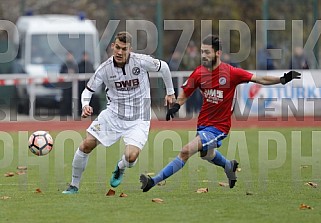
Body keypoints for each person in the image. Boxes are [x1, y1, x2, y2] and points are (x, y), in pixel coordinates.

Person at [140, 34, 301, 192]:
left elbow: (260, 79)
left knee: (186, 151)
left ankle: (153, 182)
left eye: (207, 52)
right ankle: (228, 166)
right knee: (206, 154)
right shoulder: (199, 73)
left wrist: (282, 79)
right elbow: (184, 94)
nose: (204, 55)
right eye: (202, 52)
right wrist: (176, 106)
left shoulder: (232, 72)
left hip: (219, 127)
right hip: (203, 124)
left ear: (218, 53)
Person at [62, 31, 175, 194]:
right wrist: (85, 104)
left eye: (124, 49)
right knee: (86, 144)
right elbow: (87, 90)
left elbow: (163, 67)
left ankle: (121, 167)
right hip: (113, 115)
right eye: (118, 48)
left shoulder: (141, 62)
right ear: (112, 46)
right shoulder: (104, 69)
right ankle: (74, 185)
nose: (120, 52)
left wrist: (170, 92)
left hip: (139, 118)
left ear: (130, 49)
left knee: (131, 157)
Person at [77, 51, 100, 116]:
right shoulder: (79, 65)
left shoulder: (90, 65)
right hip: (81, 86)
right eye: (84, 56)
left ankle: (91, 112)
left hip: (90, 85)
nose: (85, 57)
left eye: (86, 56)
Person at [59, 51, 78, 116]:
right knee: (65, 100)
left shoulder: (75, 65)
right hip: (65, 86)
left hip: (73, 86)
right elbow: (61, 73)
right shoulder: (64, 65)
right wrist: (67, 72)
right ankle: (63, 114)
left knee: (72, 99)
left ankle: (72, 113)